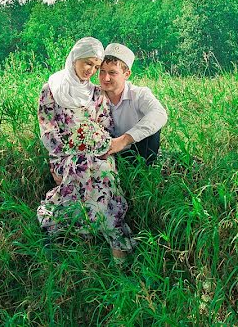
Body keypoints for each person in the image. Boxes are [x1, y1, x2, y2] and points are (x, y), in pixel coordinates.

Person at [36, 37, 135, 260]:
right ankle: (79, 231)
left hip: (96, 152)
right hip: (64, 156)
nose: (91, 70)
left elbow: (106, 126)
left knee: (102, 171)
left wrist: (92, 141)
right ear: (74, 59)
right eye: (87, 63)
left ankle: (113, 236)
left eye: (96, 66)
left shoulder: (96, 94)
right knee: (81, 167)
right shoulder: (51, 89)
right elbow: (48, 130)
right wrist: (69, 151)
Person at [99, 43, 168, 165]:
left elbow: (160, 114)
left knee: (152, 127)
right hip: (106, 153)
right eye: (102, 71)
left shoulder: (139, 94)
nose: (105, 78)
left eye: (112, 73)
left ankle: (143, 172)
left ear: (126, 74)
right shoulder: (94, 96)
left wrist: (124, 140)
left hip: (136, 151)